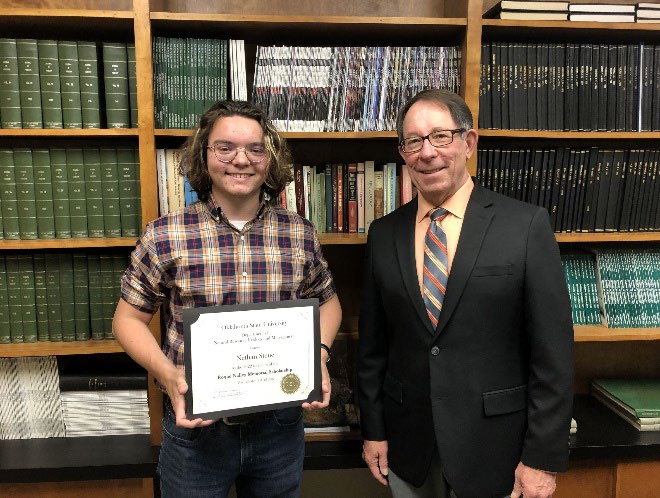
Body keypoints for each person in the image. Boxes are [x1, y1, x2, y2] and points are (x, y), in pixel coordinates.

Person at [113, 100, 342, 497]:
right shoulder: (165, 234)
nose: (241, 160)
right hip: (197, 432)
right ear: (204, 156)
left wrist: (318, 354)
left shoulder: (298, 232)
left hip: (279, 428)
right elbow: (126, 321)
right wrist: (168, 375)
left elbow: (329, 302)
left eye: (255, 149)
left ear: (269, 160)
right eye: (225, 148)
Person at [357, 89, 573, 498]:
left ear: (468, 142)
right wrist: (374, 430)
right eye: (413, 141)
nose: (427, 152)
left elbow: (553, 356)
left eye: (440, 136)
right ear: (402, 152)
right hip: (409, 447)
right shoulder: (383, 233)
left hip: (498, 450)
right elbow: (373, 348)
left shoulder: (525, 226)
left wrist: (542, 457)